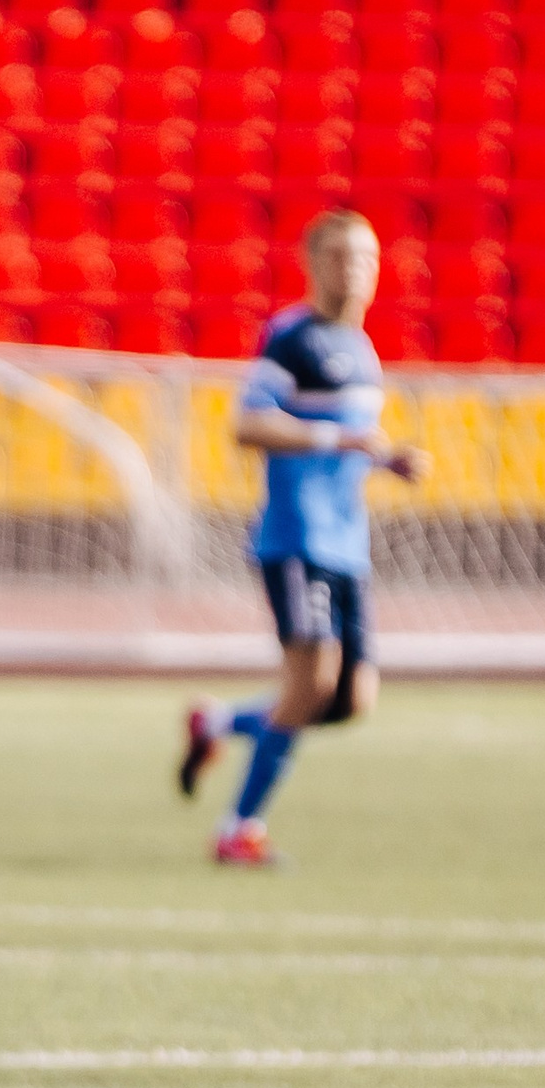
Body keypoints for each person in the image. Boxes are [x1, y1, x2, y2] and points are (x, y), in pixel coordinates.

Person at [177, 211, 426, 866]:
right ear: (314, 263)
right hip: (298, 538)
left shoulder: (364, 351)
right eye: (342, 257)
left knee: (349, 700)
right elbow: (249, 425)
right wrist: (339, 439)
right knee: (311, 680)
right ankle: (238, 830)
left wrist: (384, 460)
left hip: (348, 543)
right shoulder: (291, 338)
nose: (356, 271)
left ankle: (220, 723)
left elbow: (345, 440)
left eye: (367, 259)